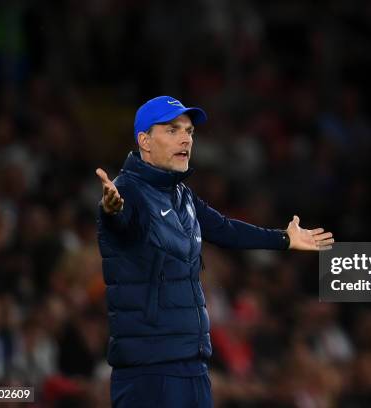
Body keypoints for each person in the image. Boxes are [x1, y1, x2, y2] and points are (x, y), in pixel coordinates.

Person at [95, 95, 334, 408]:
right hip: (150, 370)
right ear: (145, 141)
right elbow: (121, 221)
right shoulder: (128, 191)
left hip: (192, 362)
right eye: (171, 130)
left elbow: (225, 230)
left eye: (189, 131)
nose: (185, 138)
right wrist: (110, 210)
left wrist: (284, 239)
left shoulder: (181, 196)